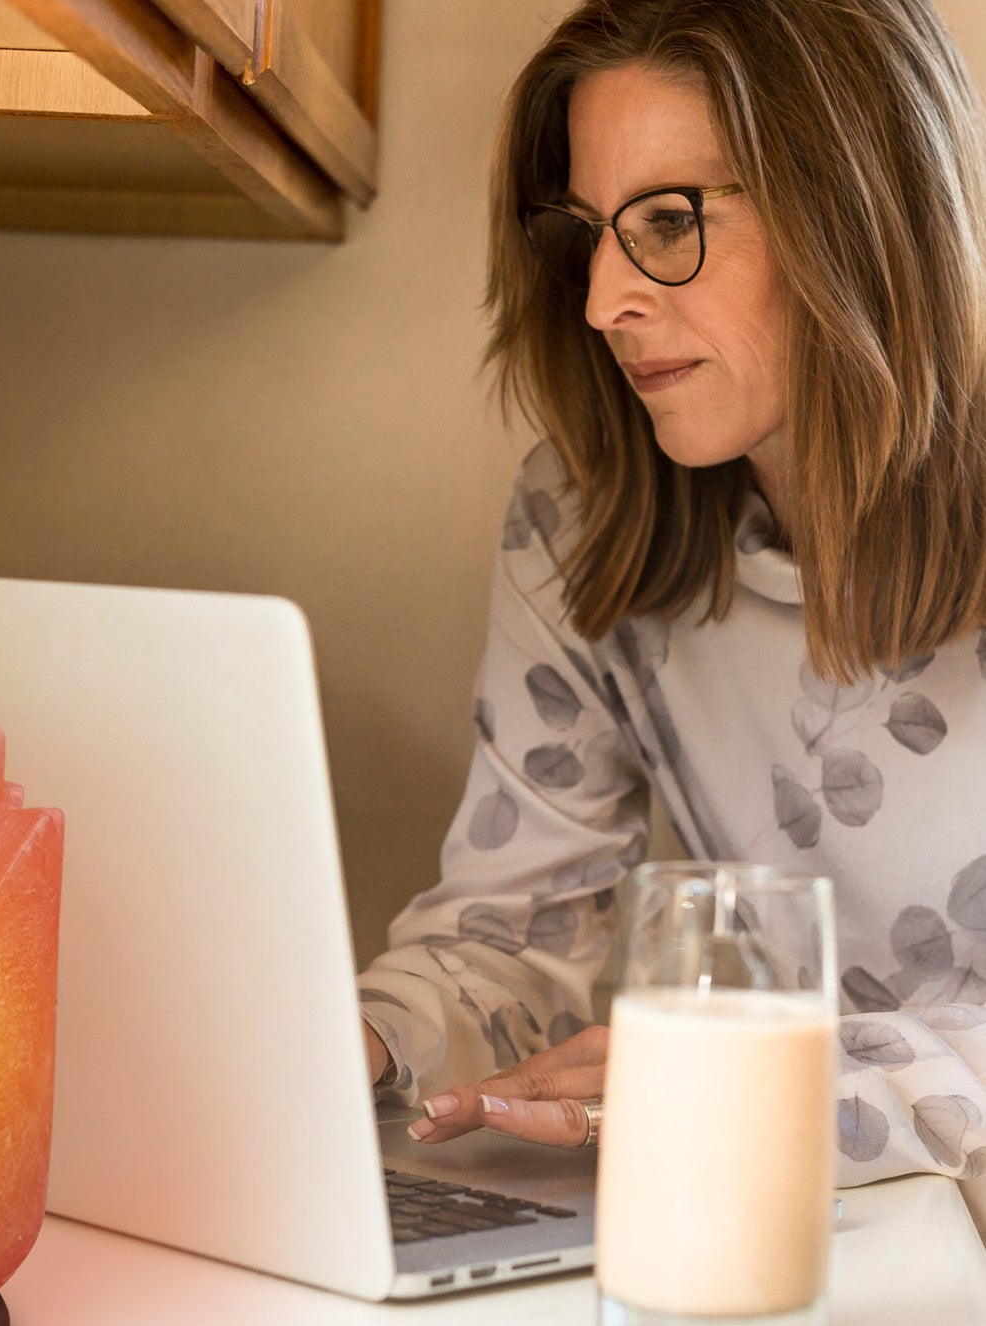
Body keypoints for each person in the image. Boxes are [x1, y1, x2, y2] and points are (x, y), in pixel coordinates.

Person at [357, 0, 986, 1186]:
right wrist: (366, 1040)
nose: (602, 302)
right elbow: (510, 935)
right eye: (590, 232)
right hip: (781, 1230)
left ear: (856, 212)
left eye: (666, 220)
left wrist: (748, 1083)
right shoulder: (583, 517)